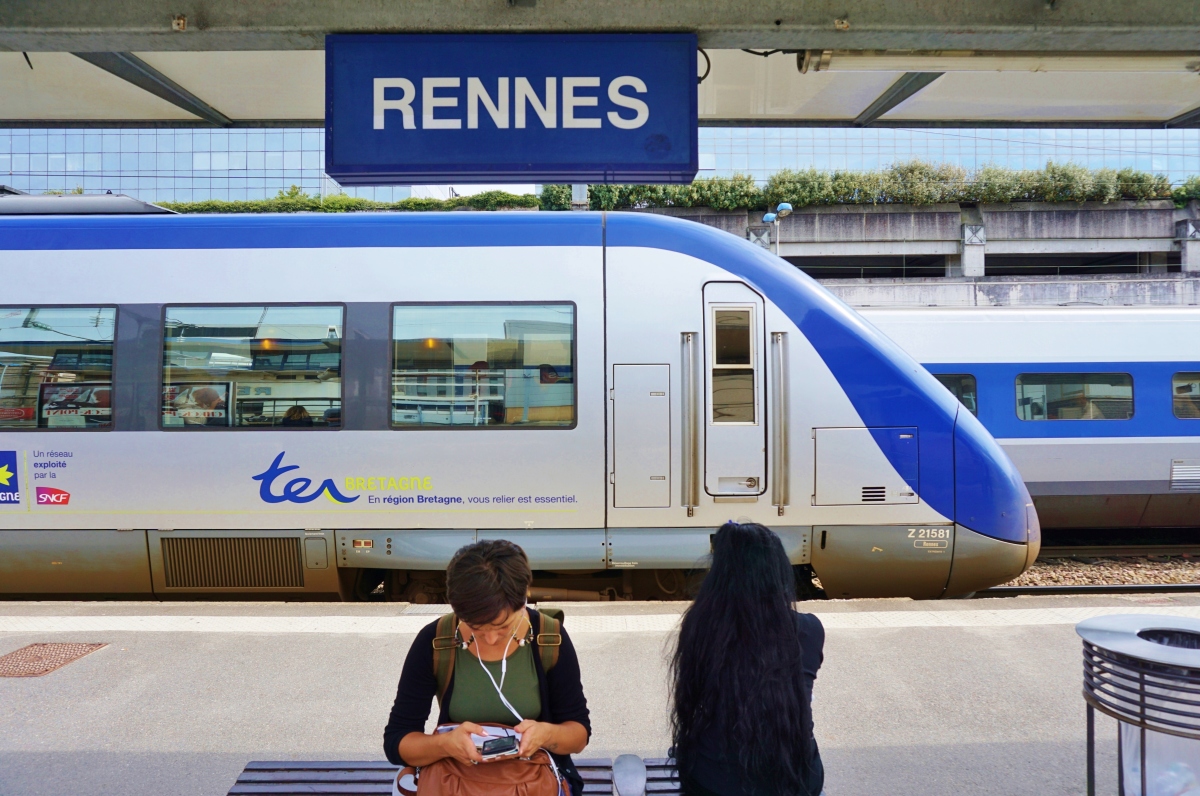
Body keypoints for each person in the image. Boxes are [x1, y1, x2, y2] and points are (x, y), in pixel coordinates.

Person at [384, 540, 591, 795]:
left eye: (503, 627)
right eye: (476, 627)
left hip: (532, 782)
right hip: (455, 783)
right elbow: (397, 741)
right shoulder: (437, 641)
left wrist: (545, 735)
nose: (491, 639)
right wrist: (445, 745)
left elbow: (579, 734)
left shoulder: (549, 638)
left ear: (524, 598)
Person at [671, 521, 825, 796]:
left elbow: (693, 705)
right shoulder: (809, 630)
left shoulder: (699, 626)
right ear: (777, 571)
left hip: (713, 781)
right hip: (797, 779)